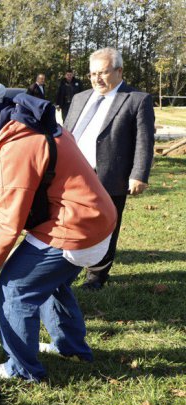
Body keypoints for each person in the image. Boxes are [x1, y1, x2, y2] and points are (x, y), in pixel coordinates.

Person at [0, 82, 117, 381]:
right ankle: (71, 348)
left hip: (75, 227)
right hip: (97, 219)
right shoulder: (35, 123)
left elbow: (9, 223)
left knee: (14, 289)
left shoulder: (19, 146)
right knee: (49, 283)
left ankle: (22, 369)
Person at [63, 48, 154, 290]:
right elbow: (66, 133)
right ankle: (66, 266)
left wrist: (138, 174)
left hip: (110, 175)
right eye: (93, 74)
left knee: (105, 225)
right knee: (70, 220)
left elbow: (144, 141)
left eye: (103, 73)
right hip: (73, 174)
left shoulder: (137, 99)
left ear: (119, 71)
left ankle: (97, 275)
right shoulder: (80, 98)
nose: (97, 79)